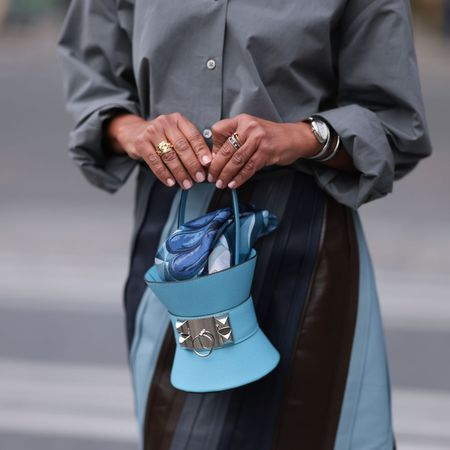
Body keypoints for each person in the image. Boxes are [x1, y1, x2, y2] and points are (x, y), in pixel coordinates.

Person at [56, 0, 432, 448]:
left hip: (305, 249)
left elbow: (396, 126)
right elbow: (93, 85)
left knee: (312, 430)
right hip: (179, 254)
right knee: (180, 431)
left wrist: (298, 137)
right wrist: (136, 133)